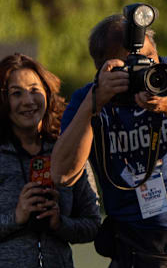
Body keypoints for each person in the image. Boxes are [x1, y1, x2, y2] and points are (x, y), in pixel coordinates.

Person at [50, 14, 167, 268]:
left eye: (150, 58)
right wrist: (95, 102)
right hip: (134, 245)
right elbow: (61, 174)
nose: (145, 69)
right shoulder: (89, 99)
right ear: (103, 67)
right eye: (132, 65)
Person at [0, 53, 101, 267]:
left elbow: (92, 224)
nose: (28, 101)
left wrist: (59, 223)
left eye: (35, 90)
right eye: (16, 93)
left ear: (47, 92)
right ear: (3, 100)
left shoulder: (68, 150)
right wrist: (16, 216)